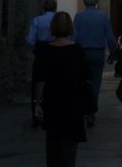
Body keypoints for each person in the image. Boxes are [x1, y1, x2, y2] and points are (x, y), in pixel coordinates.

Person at [33, 11, 91, 167]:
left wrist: (38, 103)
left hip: (53, 102)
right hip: (73, 102)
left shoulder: (45, 50)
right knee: (70, 150)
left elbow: (40, 79)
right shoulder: (77, 50)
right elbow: (86, 75)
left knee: (53, 147)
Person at [73, 0, 117, 127]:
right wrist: (113, 52)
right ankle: (91, 114)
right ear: (96, 1)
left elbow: (74, 36)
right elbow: (109, 37)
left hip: (81, 54)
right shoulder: (103, 17)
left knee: (80, 83)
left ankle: (81, 111)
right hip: (97, 53)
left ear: (84, 1)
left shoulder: (78, 17)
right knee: (95, 85)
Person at [27, 0, 57, 127]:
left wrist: (36, 51)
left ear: (43, 7)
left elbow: (30, 40)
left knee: (37, 83)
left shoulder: (37, 20)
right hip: (56, 51)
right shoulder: (58, 20)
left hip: (41, 53)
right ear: (55, 7)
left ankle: (36, 115)